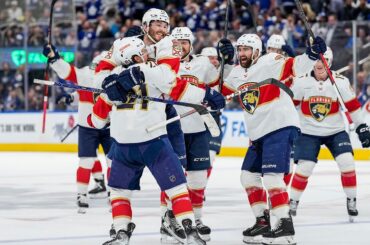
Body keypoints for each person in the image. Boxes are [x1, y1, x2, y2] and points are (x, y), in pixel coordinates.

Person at [89, 36, 225, 245]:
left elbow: (97, 122)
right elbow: (179, 88)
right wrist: (207, 95)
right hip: (153, 141)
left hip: (122, 147)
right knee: (177, 188)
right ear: (135, 56)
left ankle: (121, 232)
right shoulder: (152, 70)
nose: (147, 53)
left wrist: (98, 108)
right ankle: (189, 230)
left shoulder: (110, 80)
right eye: (142, 51)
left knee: (119, 192)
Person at [218, 33, 327, 244]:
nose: (242, 54)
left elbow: (296, 66)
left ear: (257, 51)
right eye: (239, 49)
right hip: (258, 134)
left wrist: (312, 54)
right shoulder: (237, 73)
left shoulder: (271, 61)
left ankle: (285, 226)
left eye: (246, 49)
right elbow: (220, 94)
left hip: (279, 126)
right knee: (248, 177)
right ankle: (262, 221)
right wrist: (222, 61)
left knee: (271, 177)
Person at [289, 47, 370, 222]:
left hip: (335, 131)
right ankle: (292, 201)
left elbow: (353, 107)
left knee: (347, 162)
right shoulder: (301, 82)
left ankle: (351, 200)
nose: (320, 63)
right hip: (308, 132)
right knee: (305, 167)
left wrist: (362, 126)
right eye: (317, 60)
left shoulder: (340, 82)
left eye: (323, 60)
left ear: (330, 63)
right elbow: (289, 106)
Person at [42, 46, 112, 213]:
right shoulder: (94, 74)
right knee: (94, 161)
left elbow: (70, 75)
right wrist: (54, 58)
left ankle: (104, 193)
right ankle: (88, 194)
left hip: (105, 125)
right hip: (93, 126)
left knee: (108, 162)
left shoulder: (99, 74)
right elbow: (69, 73)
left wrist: (54, 58)